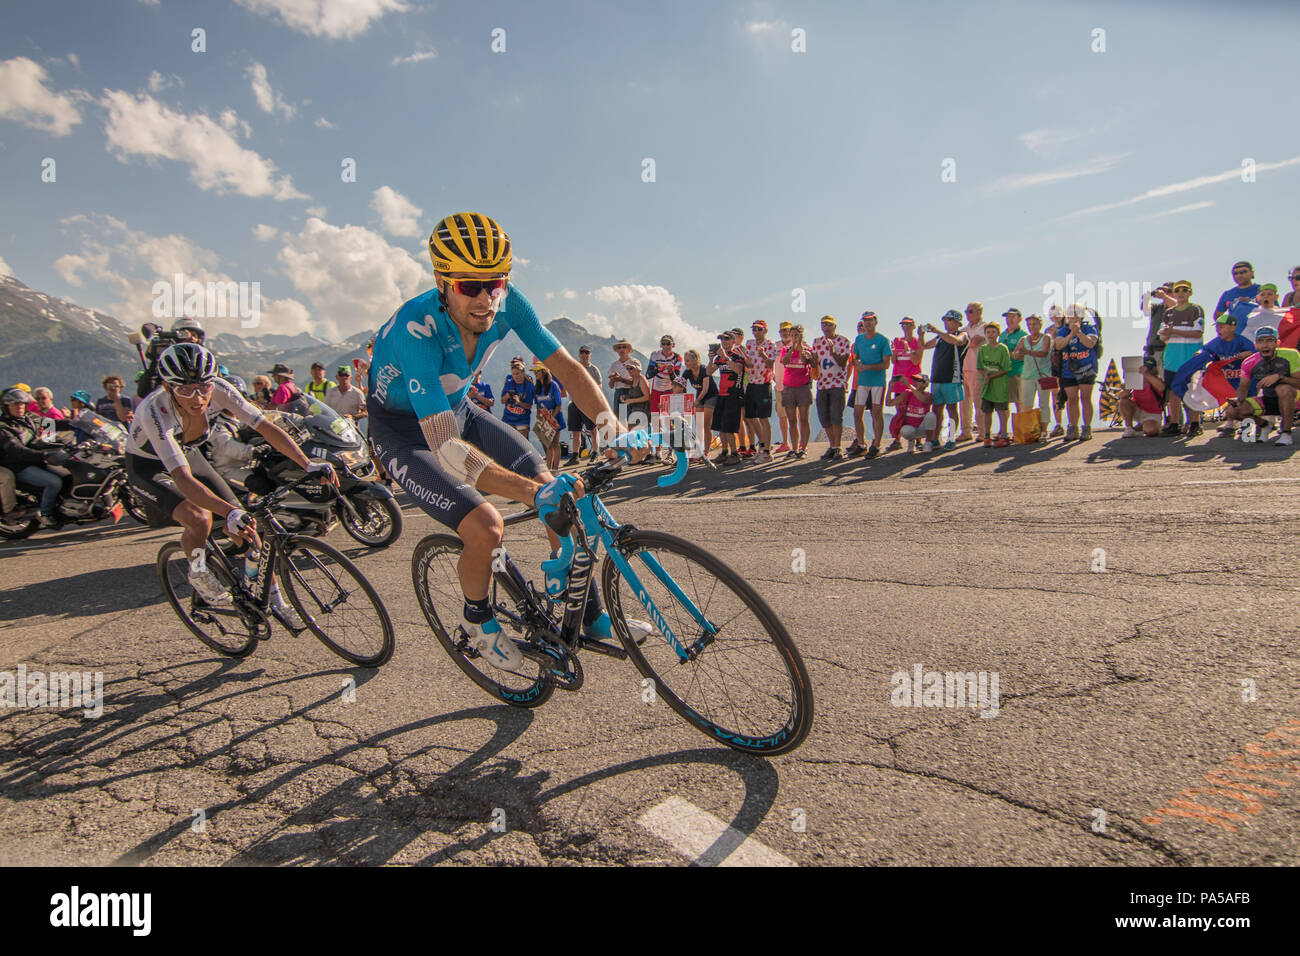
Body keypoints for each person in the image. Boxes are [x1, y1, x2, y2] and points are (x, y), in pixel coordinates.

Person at [366, 212, 650, 673]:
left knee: (561, 495)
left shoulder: (511, 302)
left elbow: (569, 370)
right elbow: (447, 451)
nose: (485, 299)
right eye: (468, 286)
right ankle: (477, 621)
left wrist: (610, 426)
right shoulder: (413, 333)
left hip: (460, 411)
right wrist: (531, 493)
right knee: (485, 525)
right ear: (442, 281)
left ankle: (593, 615)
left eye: (494, 283)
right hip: (404, 433)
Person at [125, 344, 334, 619]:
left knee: (248, 528)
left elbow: (265, 427)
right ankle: (198, 570)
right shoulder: (154, 411)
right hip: (149, 466)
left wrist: (307, 464)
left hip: (187, 453)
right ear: (167, 386)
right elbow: (182, 477)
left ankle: (274, 600)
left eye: (203, 387)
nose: (198, 397)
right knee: (199, 519)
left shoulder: (221, 389)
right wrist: (227, 512)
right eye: (185, 389)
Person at [1168, 315, 1255, 436]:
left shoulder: (1242, 341)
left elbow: (1256, 354)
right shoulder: (1217, 342)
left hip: (1242, 378)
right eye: (1217, 327)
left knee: (1246, 400)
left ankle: (1248, 430)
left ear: (1233, 327)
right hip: (1226, 378)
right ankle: (1230, 425)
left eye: (1222, 327)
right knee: (1230, 399)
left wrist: (1248, 353)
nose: (1218, 330)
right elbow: (1206, 351)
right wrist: (1199, 354)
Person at [0, 387, 68, 529]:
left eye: (22, 404)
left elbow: (50, 424)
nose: (19, 407)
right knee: (53, 482)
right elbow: (18, 451)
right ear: (6, 407)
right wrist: (44, 456)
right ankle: (46, 514)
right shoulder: (4, 427)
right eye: (15, 404)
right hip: (19, 466)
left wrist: (74, 423)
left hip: (35, 460)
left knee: (67, 474)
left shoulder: (30, 418)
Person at [1222, 327, 1299, 446]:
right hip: (1269, 399)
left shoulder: (1290, 355)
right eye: (1261, 341)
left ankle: (1286, 433)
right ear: (1255, 345)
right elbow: (1243, 388)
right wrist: (1238, 401)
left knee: (1283, 388)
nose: (1265, 345)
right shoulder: (1249, 362)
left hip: (1294, 399)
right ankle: (1265, 425)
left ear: (1277, 343)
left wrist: (1279, 377)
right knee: (1232, 410)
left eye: (1269, 340)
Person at [1153, 281, 1206, 437]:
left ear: (1190, 293)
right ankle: (1174, 423)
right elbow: (1162, 336)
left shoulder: (1195, 309)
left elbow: (1198, 332)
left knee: (1192, 390)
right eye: (1177, 290)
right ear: (1174, 294)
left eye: (1185, 290)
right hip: (1172, 356)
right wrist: (1168, 334)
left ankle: (1195, 423)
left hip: (1190, 355)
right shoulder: (1168, 312)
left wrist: (1174, 331)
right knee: (1173, 391)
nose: (1181, 293)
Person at [916, 310, 968, 449]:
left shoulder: (961, 334)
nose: (946, 322)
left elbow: (956, 341)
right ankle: (935, 439)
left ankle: (951, 437)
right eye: (945, 320)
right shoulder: (940, 338)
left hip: (952, 378)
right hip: (937, 378)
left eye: (949, 320)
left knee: (952, 409)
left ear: (957, 322)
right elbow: (924, 346)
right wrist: (920, 335)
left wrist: (937, 331)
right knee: (937, 409)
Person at [1054, 305, 1099, 441]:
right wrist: (1071, 335)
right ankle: (1073, 427)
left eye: (1076, 316)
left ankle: (1087, 427)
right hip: (1068, 369)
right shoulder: (1063, 330)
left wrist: (1079, 333)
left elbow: (1090, 343)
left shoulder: (1089, 328)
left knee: (1086, 398)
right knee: (1072, 399)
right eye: (1070, 317)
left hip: (1087, 367)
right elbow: (1058, 345)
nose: (1073, 319)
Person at [850, 311, 891, 458]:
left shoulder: (882, 340)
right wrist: (857, 364)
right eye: (865, 320)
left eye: (870, 320)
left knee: (876, 412)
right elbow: (855, 357)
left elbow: (886, 364)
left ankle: (876, 445)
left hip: (877, 381)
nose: (867, 323)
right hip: (862, 381)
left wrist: (868, 367)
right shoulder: (859, 339)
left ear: (875, 321)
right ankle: (861, 444)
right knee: (857, 412)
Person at [811, 315, 852, 461]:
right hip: (822, 384)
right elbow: (814, 363)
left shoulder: (844, 341)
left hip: (837, 383)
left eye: (829, 325)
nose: (826, 328)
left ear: (835, 326)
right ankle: (832, 445)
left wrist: (833, 350)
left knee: (836, 416)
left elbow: (843, 362)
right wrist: (808, 358)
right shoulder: (817, 342)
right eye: (823, 325)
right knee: (824, 417)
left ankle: (837, 447)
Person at [138, 316, 206, 398]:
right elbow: (144, 392)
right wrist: (155, 361)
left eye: (194, 335)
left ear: (199, 340)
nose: (191, 337)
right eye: (184, 334)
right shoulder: (166, 362)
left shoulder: (205, 362)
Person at [1012, 313, 1053, 437]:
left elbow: (1044, 353)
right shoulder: (1024, 339)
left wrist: (1027, 352)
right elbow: (1015, 354)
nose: (1032, 327)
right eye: (1029, 324)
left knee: (1044, 403)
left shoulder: (1046, 337)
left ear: (1040, 325)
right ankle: (1029, 430)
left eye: (1034, 324)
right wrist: (1017, 354)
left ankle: (1044, 431)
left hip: (1044, 375)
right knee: (1026, 404)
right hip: (1027, 375)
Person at [709, 331, 747, 464]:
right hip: (722, 393)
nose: (724, 342)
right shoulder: (719, 358)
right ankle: (724, 452)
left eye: (726, 339)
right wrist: (711, 359)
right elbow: (709, 372)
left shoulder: (737, 356)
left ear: (733, 341)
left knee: (729, 427)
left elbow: (738, 370)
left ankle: (735, 453)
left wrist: (725, 357)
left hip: (734, 394)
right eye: (722, 339)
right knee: (720, 426)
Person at [743, 320, 778, 462]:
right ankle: (762, 445)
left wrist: (763, 354)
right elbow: (749, 363)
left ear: (765, 330)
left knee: (764, 418)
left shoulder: (771, 344)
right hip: (751, 382)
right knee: (750, 417)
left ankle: (767, 451)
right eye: (754, 329)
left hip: (764, 383)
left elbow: (770, 364)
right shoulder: (749, 343)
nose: (756, 332)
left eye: (759, 329)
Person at [778, 324, 814, 459]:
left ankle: (803, 447)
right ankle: (793, 448)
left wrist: (801, 350)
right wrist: (792, 350)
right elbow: (785, 362)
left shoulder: (807, 349)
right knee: (792, 419)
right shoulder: (785, 349)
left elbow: (807, 362)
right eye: (792, 335)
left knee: (803, 419)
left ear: (801, 335)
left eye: (796, 335)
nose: (794, 337)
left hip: (803, 386)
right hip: (788, 387)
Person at [564, 346, 603, 465]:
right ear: (579, 354)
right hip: (575, 403)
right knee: (575, 431)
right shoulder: (574, 367)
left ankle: (595, 453)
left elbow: (599, 388)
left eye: (587, 352)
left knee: (593, 430)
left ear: (590, 355)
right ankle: (575, 456)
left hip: (589, 404)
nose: (584, 354)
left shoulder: (594, 370)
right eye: (582, 352)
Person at [977, 321, 1012, 446]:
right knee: (987, 412)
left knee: (1002, 411)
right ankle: (987, 436)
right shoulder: (983, 349)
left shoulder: (1003, 348)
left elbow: (1006, 368)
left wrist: (991, 376)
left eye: (993, 332)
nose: (990, 335)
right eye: (988, 332)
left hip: (1000, 386)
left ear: (998, 333)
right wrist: (985, 375)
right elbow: (980, 367)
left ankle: (1004, 435)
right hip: (987, 387)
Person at [681, 348, 717, 461]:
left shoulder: (704, 370)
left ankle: (706, 452)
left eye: (687, 361)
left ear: (694, 360)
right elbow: (680, 384)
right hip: (699, 396)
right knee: (699, 425)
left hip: (711, 395)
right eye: (684, 361)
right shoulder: (687, 371)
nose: (685, 363)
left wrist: (697, 401)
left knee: (706, 425)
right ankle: (698, 450)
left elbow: (705, 389)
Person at [1118, 357, 1167, 437]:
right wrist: (1127, 387)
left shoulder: (1157, 380)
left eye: (1149, 369)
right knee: (1124, 401)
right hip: (1138, 409)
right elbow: (1122, 396)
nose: (1146, 371)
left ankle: (1143, 426)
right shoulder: (1136, 380)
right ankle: (1129, 428)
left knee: (1151, 431)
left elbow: (1161, 387)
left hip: (1152, 413)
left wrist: (1146, 374)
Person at [959, 302, 986, 441]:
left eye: (970, 311)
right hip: (963, 368)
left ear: (979, 312)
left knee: (978, 402)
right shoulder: (963, 329)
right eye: (967, 311)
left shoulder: (984, 327)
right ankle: (966, 432)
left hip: (977, 368)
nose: (967, 314)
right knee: (964, 403)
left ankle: (982, 432)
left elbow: (975, 342)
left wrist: (962, 341)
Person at [532, 362, 566, 472]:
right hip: (544, 419)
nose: (536, 374)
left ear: (544, 372)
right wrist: (539, 414)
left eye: (538, 371)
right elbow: (537, 403)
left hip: (555, 418)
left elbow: (558, 403)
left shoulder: (553, 385)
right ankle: (549, 468)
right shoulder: (537, 387)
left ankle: (555, 469)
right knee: (548, 444)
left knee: (555, 443)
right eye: (535, 372)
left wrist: (552, 418)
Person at [891, 373, 936, 453]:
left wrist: (908, 385)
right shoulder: (908, 393)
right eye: (914, 380)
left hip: (923, 428)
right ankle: (911, 442)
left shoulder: (929, 395)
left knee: (931, 415)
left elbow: (923, 399)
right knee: (905, 430)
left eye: (918, 380)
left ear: (925, 384)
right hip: (911, 428)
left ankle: (928, 443)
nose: (915, 382)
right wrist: (890, 387)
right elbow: (889, 403)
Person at [646, 335, 681, 422]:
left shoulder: (677, 358)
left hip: (669, 389)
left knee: (668, 418)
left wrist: (670, 371)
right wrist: (660, 369)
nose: (665, 346)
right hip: (656, 389)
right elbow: (648, 375)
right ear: (660, 345)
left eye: (668, 344)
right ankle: (656, 435)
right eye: (663, 344)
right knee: (655, 417)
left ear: (673, 345)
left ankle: (669, 435)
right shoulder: (655, 355)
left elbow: (676, 380)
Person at [998, 309, 1027, 416]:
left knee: (1019, 401)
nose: (1009, 319)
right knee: (1003, 403)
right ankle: (1004, 429)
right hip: (1002, 373)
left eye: (1012, 317)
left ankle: (1021, 428)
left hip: (1017, 371)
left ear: (1019, 319)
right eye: (1007, 317)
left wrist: (1007, 353)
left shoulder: (1023, 335)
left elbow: (1022, 354)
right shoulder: (1003, 334)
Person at [500, 356, 536, 439]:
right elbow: (502, 400)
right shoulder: (509, 382)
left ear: (523, 372)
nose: (516, 376)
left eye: (517, 374)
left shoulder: (529, 385)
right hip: (508, 419)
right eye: (513, 374)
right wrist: (508, 395)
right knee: (506, 444)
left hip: (522, 421)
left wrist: (519, 402)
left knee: (522, 446)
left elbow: (529, 406)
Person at [772, 321, 794, 453]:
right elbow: (769, 363)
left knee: (795, 416)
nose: (785, 333)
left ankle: (800, 442)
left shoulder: (798, 345)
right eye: (782, 331)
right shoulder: (776, 346)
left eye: (787, 330)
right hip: (780, 386)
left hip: (794, 385)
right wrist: (774, 377)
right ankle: (785, 442)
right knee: (782, 416)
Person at [607, 339, 636, 425]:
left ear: (628, 350)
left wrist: (620, 379)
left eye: (624, 347)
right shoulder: (614, 365)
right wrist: (613, 379)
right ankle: (621, 437)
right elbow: (611, 386)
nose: (621, 349)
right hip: (618, 392)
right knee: (619, 420)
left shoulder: (634, 363)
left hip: (631, 392)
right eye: (619, 347)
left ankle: (630, 437)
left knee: (631, 420)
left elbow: (636, 382)